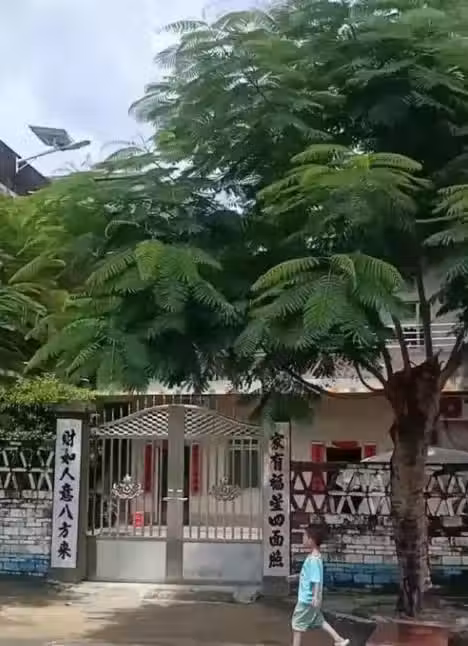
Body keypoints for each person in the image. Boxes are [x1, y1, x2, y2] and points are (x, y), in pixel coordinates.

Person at [288, 524, 349, 646]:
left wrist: (315, 597)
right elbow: (308, 575)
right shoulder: (314, 557)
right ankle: (339, 640)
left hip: (307, 599)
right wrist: (296, 577)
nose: (303, 538)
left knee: (297, 625)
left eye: (305, 536)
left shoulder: (314, 560)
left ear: (312, 540)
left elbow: (316, 579)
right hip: (312, 599)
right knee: (319, 620)